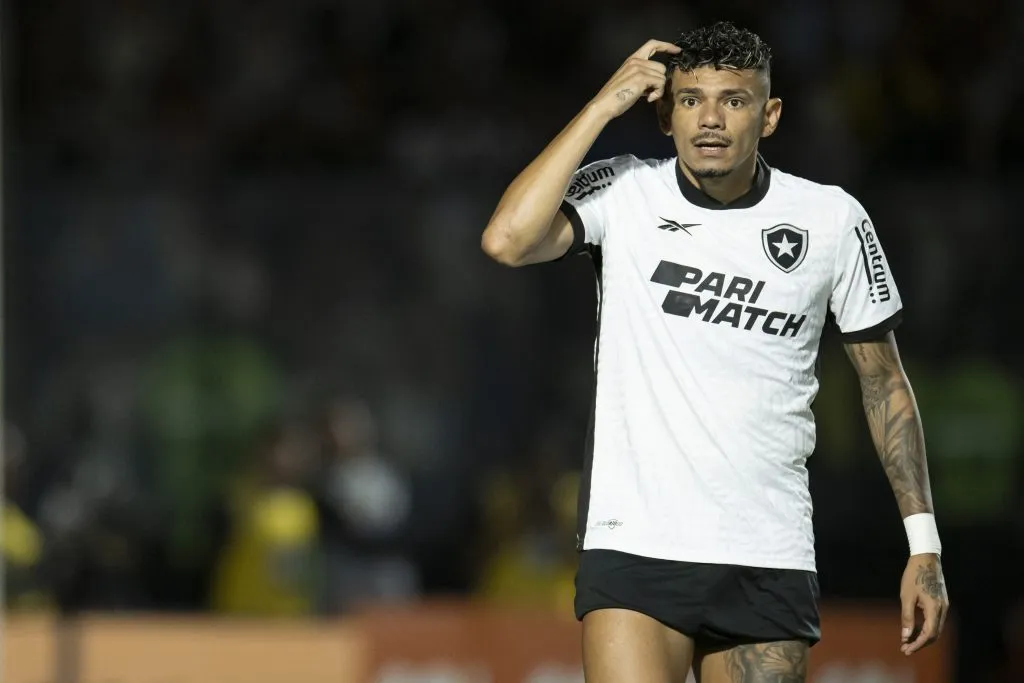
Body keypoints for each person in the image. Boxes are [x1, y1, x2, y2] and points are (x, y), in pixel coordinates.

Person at [480, 21, 949, 683]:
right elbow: (506, 239)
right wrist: (602, 106)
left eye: (733, 100)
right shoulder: (624, 189)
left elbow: (884, 383)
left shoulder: (831, 218)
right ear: (666, 115)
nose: (709, 119)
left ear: (770, 113)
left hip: (767, 551)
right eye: (691, 99)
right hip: (636, 543)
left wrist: (923, 546)